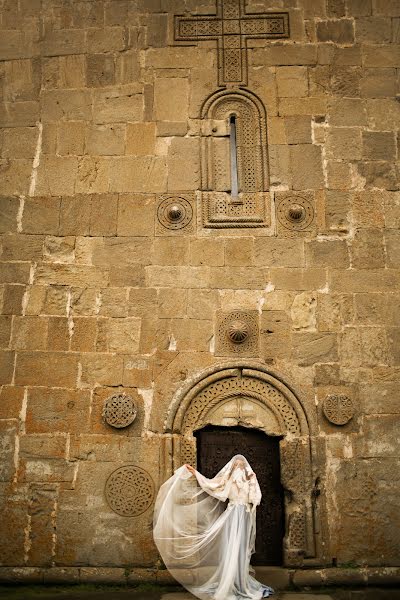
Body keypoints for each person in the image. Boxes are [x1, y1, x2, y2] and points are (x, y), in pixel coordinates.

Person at [153, 454, 274, 600]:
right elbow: (211, 485)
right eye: (236, 465)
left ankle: (240, 581)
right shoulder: (227, 480)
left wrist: (251, 480)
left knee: (241, 547)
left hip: (244, 516)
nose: (239, 468)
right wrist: (194, 472)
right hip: (232, 514)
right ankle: (229, 581)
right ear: (232, 467)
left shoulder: (250, 480)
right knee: (230, 546)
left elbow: (256, 498)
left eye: (242, 466)